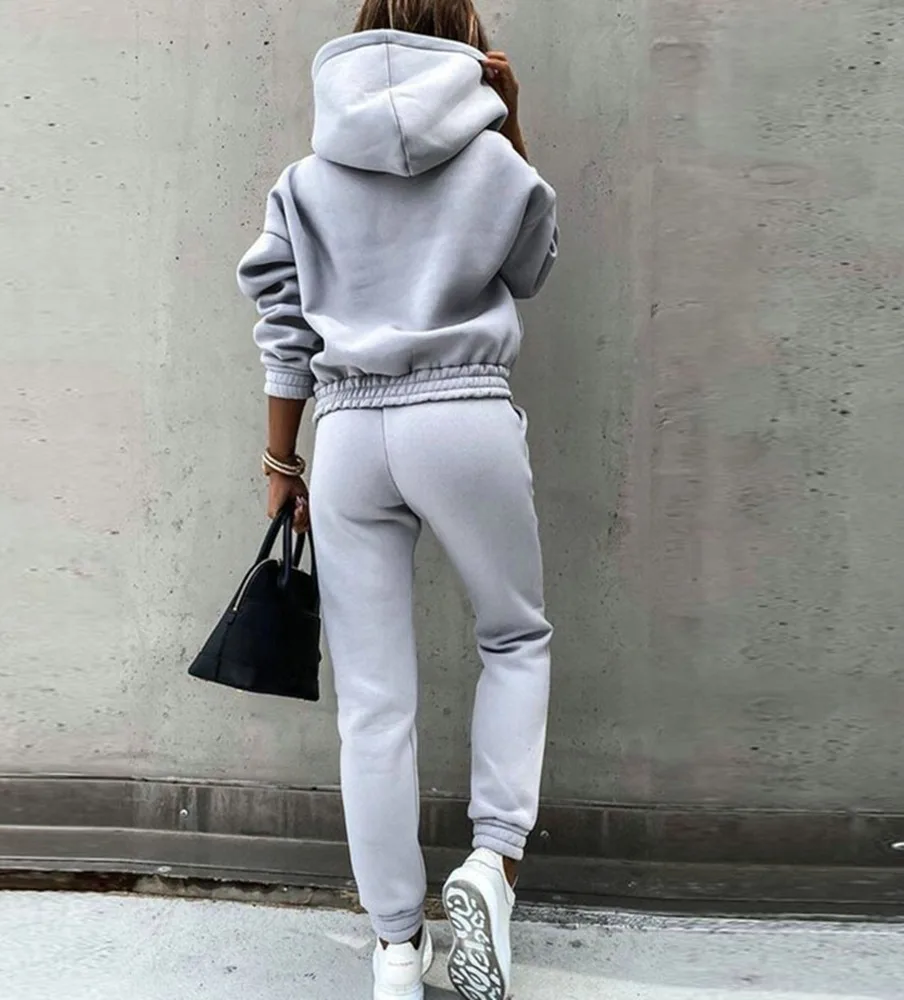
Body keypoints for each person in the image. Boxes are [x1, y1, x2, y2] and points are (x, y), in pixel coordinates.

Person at [237, 2, 558, 998]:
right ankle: (490, 864)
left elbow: (284, 327)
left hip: (347, 430)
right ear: (463, 43)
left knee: (374, 704)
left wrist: (281, 462)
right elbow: (531, 268)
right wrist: (508, 123)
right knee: (513, 638)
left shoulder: (305, 179)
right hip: (462, 415)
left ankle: (392, 949)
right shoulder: (493, 160)